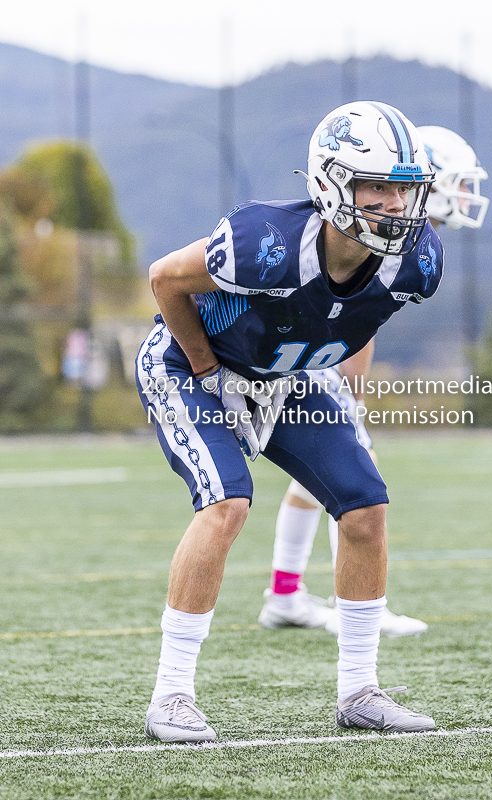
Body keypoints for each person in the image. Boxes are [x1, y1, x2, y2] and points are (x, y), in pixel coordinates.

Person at [137, 101, 444, 743]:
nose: (394, 204)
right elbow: (165, 278)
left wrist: (335, 395)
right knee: (227, 505)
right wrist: (205, 370)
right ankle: (171, 694)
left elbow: (354, 319)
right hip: (190, 366)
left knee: (364, 508)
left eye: (404, 187)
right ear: (332, 183)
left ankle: (360, 691)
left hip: (283, 376)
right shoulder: (266, 245)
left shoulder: (417, 261)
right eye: (376, 186)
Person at [258, 124, 490, 636]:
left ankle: (285, 595)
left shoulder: (407, 238)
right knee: (359, 479)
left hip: (305, 352)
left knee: (322, 477)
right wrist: (352, 392)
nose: (468, 195)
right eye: (460, 182)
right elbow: (353, 319)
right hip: (294, 352)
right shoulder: (383, 229)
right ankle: (356, 607)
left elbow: (364, 319)